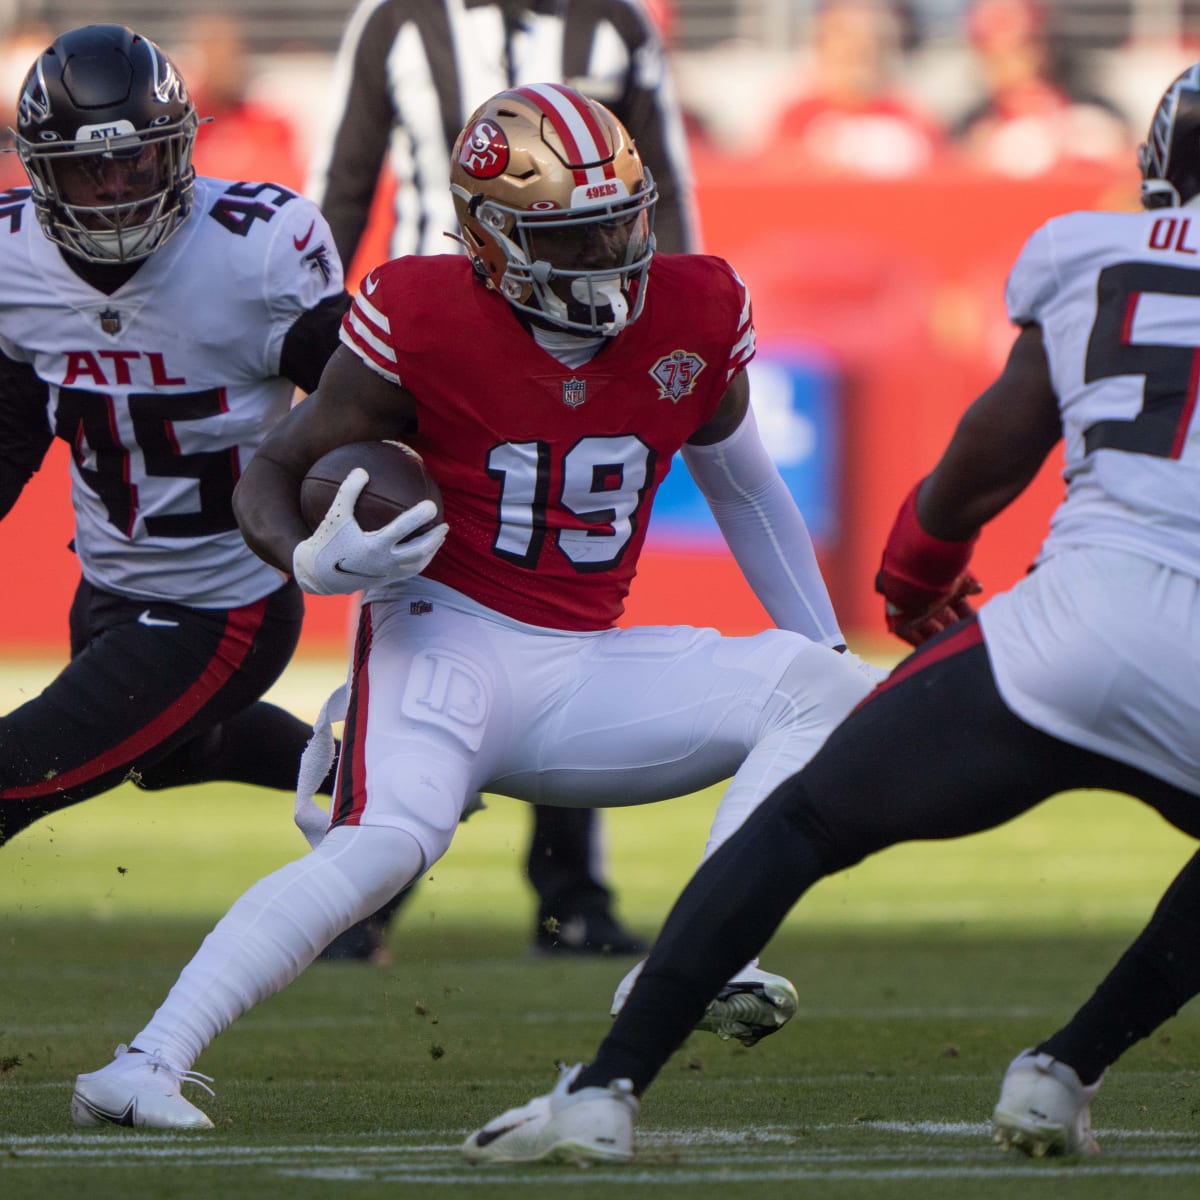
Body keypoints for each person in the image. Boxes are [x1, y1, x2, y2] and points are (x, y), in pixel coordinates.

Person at [67, 82, 883, 1130]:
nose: (611, 257)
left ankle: (698, 959)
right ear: (491, 238)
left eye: (619, 224)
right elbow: (272, 470)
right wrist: (312, 561)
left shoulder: (700, 304)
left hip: (586, 663)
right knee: (386, 842)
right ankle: (145, 1063)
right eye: (575, 237)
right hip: (444, 640)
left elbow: (744, 485)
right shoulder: (421, 311)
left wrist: (816, 638)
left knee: (827, 684)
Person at [462, 60, 1200, 1166]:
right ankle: (1065, 1069)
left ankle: (608, 1087)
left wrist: (916, 575)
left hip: (1062, 629)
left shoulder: (1085, 249)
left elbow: (981, 465)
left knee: (803, 823)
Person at [306, 0, 701, 961]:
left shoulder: (615, 22)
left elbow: (667, 188)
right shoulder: (396, 20)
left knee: (567, 604)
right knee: (416, 589)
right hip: (433, 346)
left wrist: (674, 334)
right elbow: (339, 189)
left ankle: (568, 892)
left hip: (586, 336)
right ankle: (368, 879)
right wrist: (312, 349)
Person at [0, 24, 349, 847]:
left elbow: (363, 402)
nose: (117, 187)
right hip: (109, 587)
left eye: (136, 159)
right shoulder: (14, 261)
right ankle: (367, 772)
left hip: (225, 607)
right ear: (40, 172)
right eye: (88, 168)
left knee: (10, 774)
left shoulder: (257, 252)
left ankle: (391, 794)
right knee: (174, 753)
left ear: (181, 147)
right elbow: (12, 429)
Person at [951, 0, 1130, 178]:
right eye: (989, 53)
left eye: (1016, 51)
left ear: (1040, 50)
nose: (1002, 64)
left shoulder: (1090, 111)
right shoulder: (973, 125)